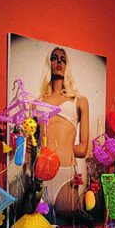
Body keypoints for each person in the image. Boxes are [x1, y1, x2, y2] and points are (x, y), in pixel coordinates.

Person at [38, 47, 91, 217]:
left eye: (63, 59)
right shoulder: (37, 103)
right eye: (54, 58)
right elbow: (33, 146)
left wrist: (61, 148)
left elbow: (82, 149)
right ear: (49, 63)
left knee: (69, 226)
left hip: (66, 173)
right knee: (38, 227)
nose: (59, 62)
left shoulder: (79, 101)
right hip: (41, 174)